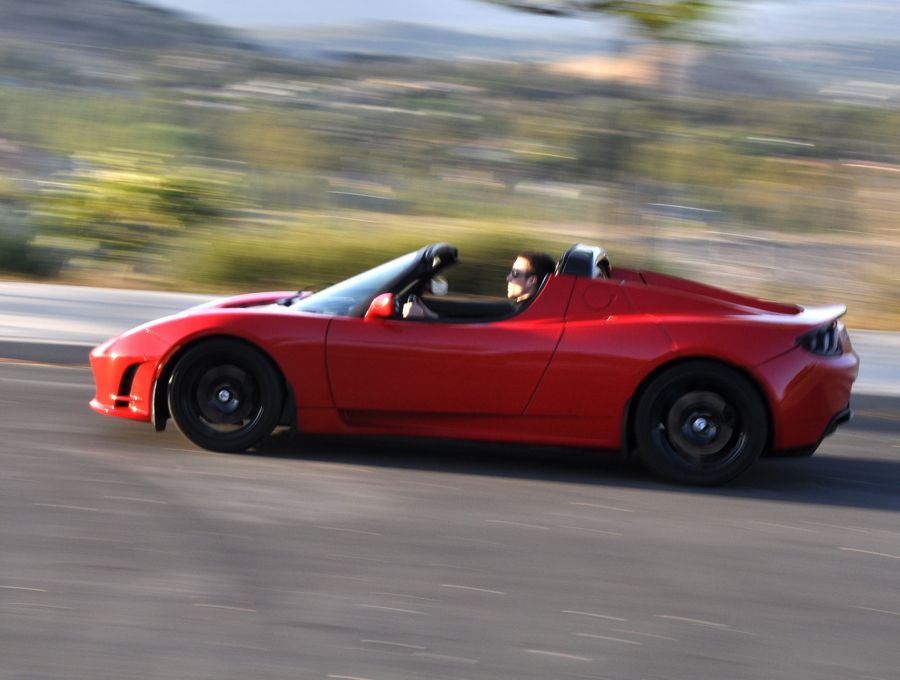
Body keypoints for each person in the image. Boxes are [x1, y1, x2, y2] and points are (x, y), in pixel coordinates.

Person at [403, 250, 555, 319]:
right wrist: (430, 315)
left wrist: (425, 318)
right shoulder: (520, 309)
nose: (508, 278)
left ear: (532, 281)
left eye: (515, 273)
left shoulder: (523, 315)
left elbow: (467, 333)